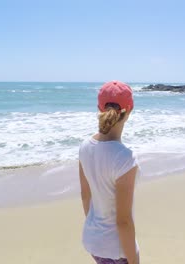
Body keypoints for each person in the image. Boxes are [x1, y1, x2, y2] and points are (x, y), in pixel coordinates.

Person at [79, 81, 139, 264]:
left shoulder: (85, 146)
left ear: (99, 107)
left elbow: (85, 196)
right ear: (129, 110)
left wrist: (97, 230)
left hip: (92, 239)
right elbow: (124, 222)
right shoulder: (125, 159)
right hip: (116, 248)